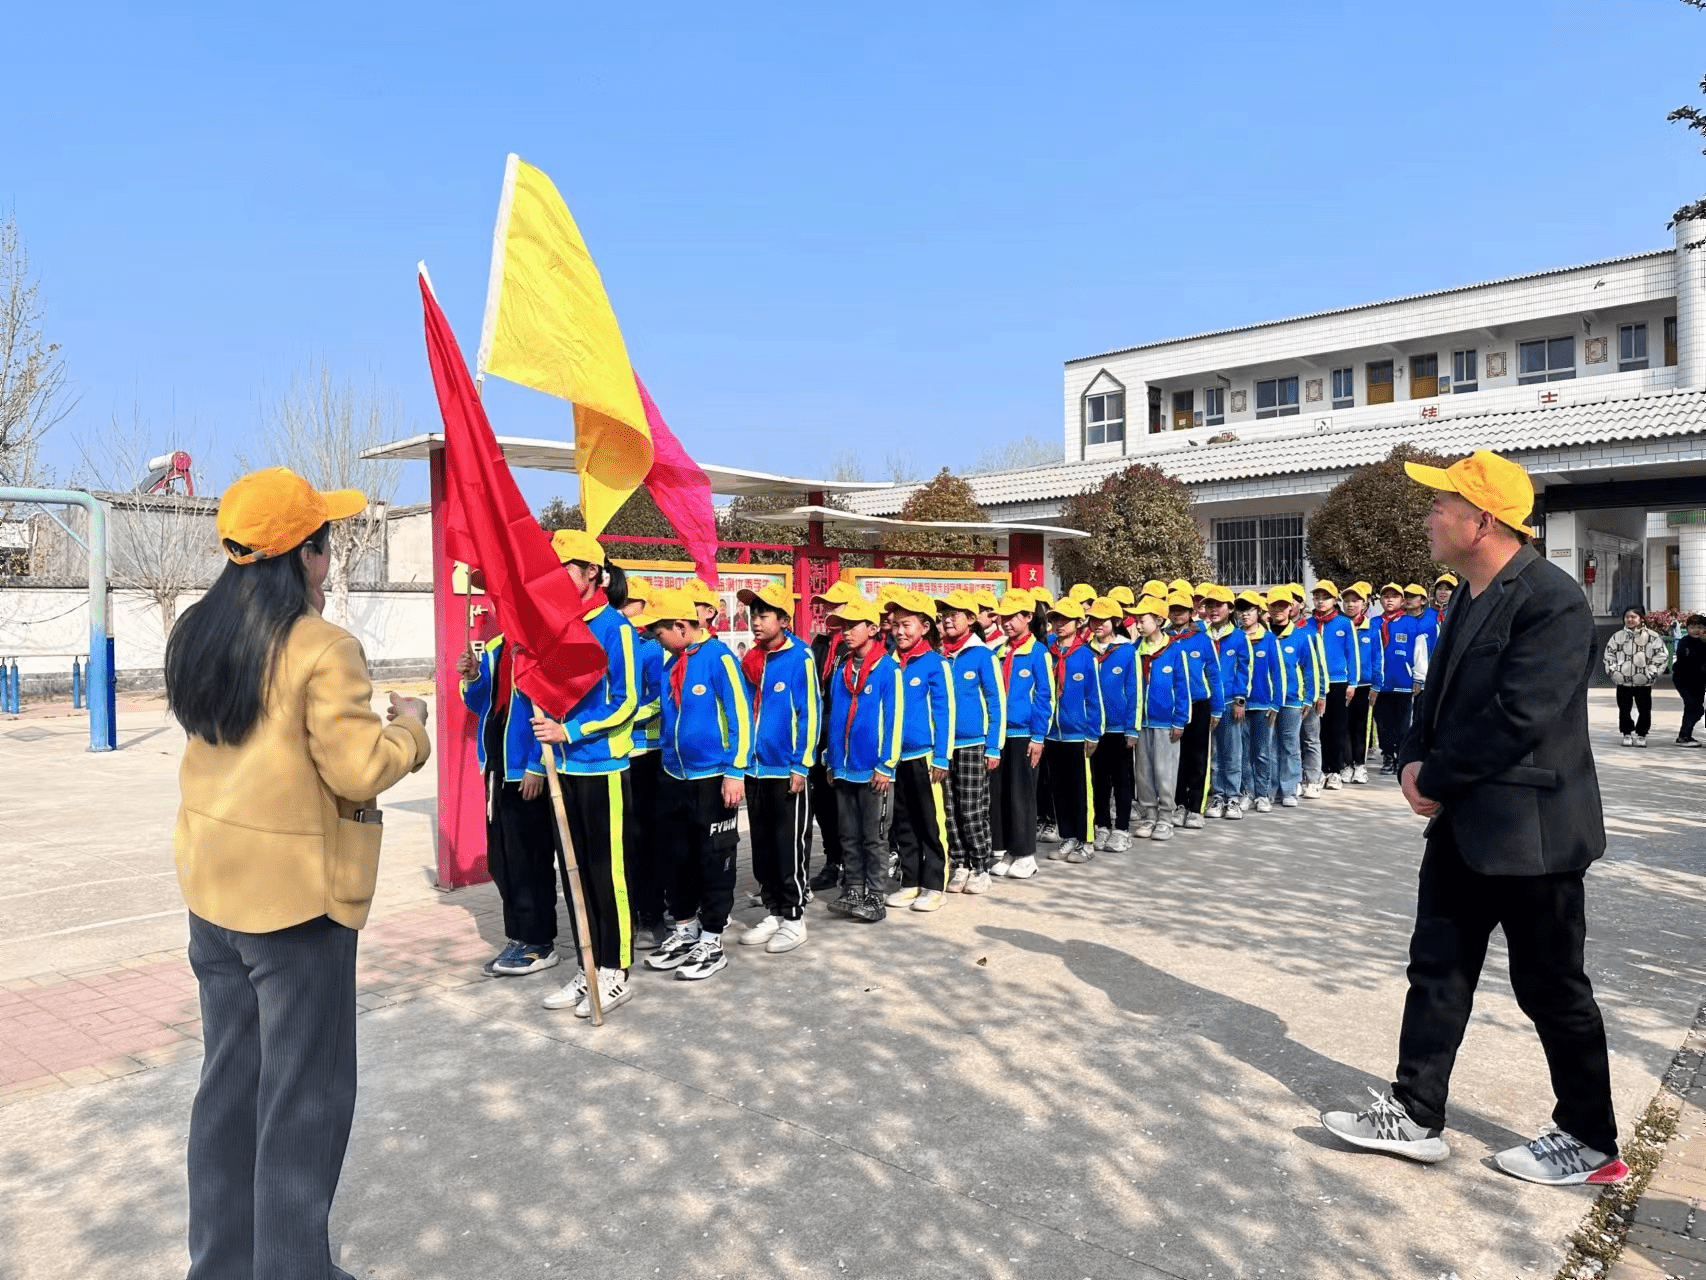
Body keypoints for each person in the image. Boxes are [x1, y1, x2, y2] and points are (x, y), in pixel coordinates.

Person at [1320, 449, 1628, 1187]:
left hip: (1534, 833)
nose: (1428, 518)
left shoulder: (1551, 600)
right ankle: (1417, 1112)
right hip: (1463, 824)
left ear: (1482, 520)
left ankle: (1592, 1140)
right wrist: (1411, 759)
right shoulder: (1465, 593)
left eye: (1440, 506)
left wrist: (1440, 771)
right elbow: (1437, 699)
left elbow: (1520, 715)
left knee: (1551, 988)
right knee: (1437, 970)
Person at [165, 468, 431, 1280]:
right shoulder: (322, 646)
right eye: (325, 542)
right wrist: (411, 729)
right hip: (295, 909)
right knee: (303, 1107)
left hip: (213, 894)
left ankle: (222, 1265)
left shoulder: (200, 630)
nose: (328, 557)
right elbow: (357, 770)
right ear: (305, 557)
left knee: (230, 1092)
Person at [530, 530, 643, 1018]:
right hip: (564, 768)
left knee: (606, 872)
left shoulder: (614, 627)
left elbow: (628, 703)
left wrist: (569, 730)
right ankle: (588, 967)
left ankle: (616, 971)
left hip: (605, 767)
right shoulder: (558, 626)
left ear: (591, 572)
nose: (555, 580)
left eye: (564, 570)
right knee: (572, 870)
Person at [640, 587, 751, 981]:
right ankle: (685, 929)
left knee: (714, 859)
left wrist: (736, 770)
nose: (656, 640)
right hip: (674, 776)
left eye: (659, 632)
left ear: (681, 626)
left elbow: (740, 712)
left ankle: (713, 936)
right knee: (676, 857)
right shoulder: (674, 664)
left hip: (713, 779)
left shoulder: (718, 659)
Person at [457, 621, 562, 977]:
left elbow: (551, 707)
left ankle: (539, 942)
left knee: (529, 859)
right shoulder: (497, 647)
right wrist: (473, 677)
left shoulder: (540, 644)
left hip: (526, 771)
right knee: (502, 861)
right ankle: (518, 937)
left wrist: (536, 763)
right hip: (497, 768)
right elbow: (479, 702)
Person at [736, 583, 819, 954]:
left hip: (787, 770)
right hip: (755, 769)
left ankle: (794, 916)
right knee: (763, 846)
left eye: (764, 615)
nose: (756, 621)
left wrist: (802, 763)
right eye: (753, 614)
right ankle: (773, 909)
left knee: (789, 846)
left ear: (784, 620)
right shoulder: (751, 659)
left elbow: (811, 713)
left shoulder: (800, 657)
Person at [822, 599, 904, 921]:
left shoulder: (888, 670)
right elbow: (836, 718)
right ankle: (853, 888)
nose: (846, 632)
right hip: (844, 768)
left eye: (853, 625)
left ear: (872, 629)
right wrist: (832, 760)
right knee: (848, 834)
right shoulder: (841, 669)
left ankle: (875, 895)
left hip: (874, 770)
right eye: (842, 626)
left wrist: (887, 764)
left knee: (874, 836)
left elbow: (894, 720)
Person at [885, 591, 956, 912]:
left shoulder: (935, 664)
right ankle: (910, 882)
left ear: (925, 626)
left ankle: (933, 884)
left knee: (931, 822)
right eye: (896, 625)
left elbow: (945, 712)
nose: (900, 632)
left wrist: (942, 755)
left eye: (907, 625)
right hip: (896, 759)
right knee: (903, 824)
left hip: (926, 758)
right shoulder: (889, 664)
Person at [937, 590, 1005, 894]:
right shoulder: (940, 656)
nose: (948, 619)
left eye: (956, 614)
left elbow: (996, 703)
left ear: (970, 619)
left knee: (972, 807)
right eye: (945, 614)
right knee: (949, 808)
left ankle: (980, 866)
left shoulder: (983, 655)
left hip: (973, 744)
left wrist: (994, 746)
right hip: (942, 747)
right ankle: (960, 863)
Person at [990, 590, 1051, 880]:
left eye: (1013, 617)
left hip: (1025, 733)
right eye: (1003, 617)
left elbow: (1045, 696)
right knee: (1000, 794)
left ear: (1027, 617)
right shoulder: (1000, 651)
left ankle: (1026, 853)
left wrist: (1038, 736)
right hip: (1001, 733)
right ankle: (1008, 849)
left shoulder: (1039, 652)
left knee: (1022, 794)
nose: (1006, 622)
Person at [1042, 596, 1104, 862]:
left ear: (1079, 623)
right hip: (1052, 733)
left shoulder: (1086, 656)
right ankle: (1067, 836)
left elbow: (1094, 697)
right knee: (1060, 788)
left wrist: (1093, 732)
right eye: (1056, 619)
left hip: (1077, 733)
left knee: (1081, 789)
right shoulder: (1049, 654)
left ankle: (1085, 840)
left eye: (1065, 620)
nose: (1059, 625)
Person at [807, 581, 858, 891]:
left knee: (847, 802)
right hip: (819, 734)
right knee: (824, 803)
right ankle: (832, 859)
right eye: (825, 605)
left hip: (846, 734)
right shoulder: (820, 643)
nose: (827, 610)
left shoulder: (856, 646)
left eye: (834, 605)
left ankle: (854, 863)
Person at [1131, 594, 1190, 840]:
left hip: (1165, 722)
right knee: (1143, 771)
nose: (1137, 625)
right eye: (1135, 620)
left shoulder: (1174, 651)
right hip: (1141, 722)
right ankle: (1149, 815)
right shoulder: (1136, 650)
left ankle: (1166, 816)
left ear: (1158, 619)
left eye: (1142, 620)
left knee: (1165, 771)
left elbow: (1183, 688)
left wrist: (1180, 720)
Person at [1165, 588, 1224, 828]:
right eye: (1173, 609)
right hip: (1172, 708)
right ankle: (1178, 804)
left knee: (1198, 757)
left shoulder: (1202, 639)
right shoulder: (1163, 639)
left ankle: (1196, 808)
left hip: (1199, 705)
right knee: (1175, 759)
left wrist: (1217, 709)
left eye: (1182, 610)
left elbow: (1214, 675)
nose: (1177, 614)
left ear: (1191, 612)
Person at [1087, 596, 1139, 850]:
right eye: (1093, 619)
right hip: (1095, 729)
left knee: (1121, 780)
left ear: (1115, 621)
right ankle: (1102, 825)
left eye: (1103, 620)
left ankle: (1122, 829)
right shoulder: (1086, 651)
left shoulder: (1128, 651)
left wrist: (1132, 728)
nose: (1097, 624)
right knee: (1099, 780)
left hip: (1119, 728)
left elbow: (1134, 691)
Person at [1297, 581, 1358, 789]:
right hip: (1313, 683)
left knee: (1337, 727)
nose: (1321, 601)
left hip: (1338, 681)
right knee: (1315, 729)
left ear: (1334, 600)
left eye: (1326, 597)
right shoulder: (1307, 624)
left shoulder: (1344, 623)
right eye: (1317, 597)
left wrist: (1353, 682)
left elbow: (1352, 653)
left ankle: (1335, 770)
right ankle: (1319, 769)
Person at [1268, 588, 1322, 808]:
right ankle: (1270, 790)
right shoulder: (1262, 636)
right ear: (1268, 608)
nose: (1279, 609)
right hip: (1267, 701)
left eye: (1283, 605)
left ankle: (1289, 789)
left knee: (1290, 745)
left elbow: (1311, 669)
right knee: (1269, 747)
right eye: (1274, 605)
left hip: (1292, 700)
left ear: (1291, 607)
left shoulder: (1302, 637)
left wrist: (1310, 697)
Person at [1204, 585, 1250, 820]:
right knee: (1213, 752)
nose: (1213, 610)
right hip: (1208, 702)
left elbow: (1244, 669)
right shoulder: (1202, 635)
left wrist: (1240, 699)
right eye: (1209, 605)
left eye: (1218, 605)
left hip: (1231, 701)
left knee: (1232, 750)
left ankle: (1233, 796)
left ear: (1230, 608)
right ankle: (1217, 794)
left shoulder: (1240, 637)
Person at [1235, 590, 1283, 813]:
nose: (1245, 615)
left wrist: (1276, 703)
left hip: (1263, 705)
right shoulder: (1236, 638)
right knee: (1243, 753)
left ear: (1259, 612)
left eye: (1250, 610)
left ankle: (1263, 794)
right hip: (1241, 705)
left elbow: (1278, 672)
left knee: (1263, 752)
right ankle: (1247, 792)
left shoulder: (1269, 639)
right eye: (1241, 610)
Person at [1603, 605, 1671, 748]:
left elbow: (1662, 656)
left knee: (1644, 710)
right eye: (1627, 617)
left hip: (1643, 682)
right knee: (1624, 709)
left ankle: (1642, 734)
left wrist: (1651, 673)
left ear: (1641, 618)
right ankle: (1626, 733)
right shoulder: (1617, 636)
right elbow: (1609, 655)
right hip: (1623, 682)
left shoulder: (1652, 637)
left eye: (1633, 617)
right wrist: (1614, 671)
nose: (1630, 620)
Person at [1372, 583, 1415, 775]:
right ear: (1380, 600)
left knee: (1403, 724)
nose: (1389, 599)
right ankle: (1387, 756)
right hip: (1380, 685)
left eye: (1394, 596)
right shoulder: (1373, 623)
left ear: (1402, 601)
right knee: (1382, 723)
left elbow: (1418, 653)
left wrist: (1419, 678)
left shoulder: (1411, 623)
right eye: (1386, 596)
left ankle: (1401, 756)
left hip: (1403, 683)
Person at [1341, 582, 1382, 785]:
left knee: (1361, 726)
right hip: (1343, 684)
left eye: (1355, 601)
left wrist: (1377, 684)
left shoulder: (1371, 629)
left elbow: (1377, 658)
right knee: (1344, 725)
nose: (1350, 605)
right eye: (1347, 601)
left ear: (1364, 604)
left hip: (1365, 685)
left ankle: (1360, 765)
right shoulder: (1339, 626)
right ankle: (1347, 765)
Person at [1674, 614, 1706, 747]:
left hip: (1699, 682)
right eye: (1692, 627)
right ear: (1687, 628)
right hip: (1684, 681)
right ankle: (1684, 736)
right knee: (1695, 707)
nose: (1695, 630)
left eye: (1699, 627)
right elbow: (1688, 659)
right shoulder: (1684, 642)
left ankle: (1684, 736)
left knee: (1693, 709)